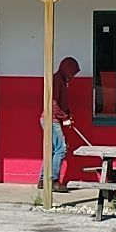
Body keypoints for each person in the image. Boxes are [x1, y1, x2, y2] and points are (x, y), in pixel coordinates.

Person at [38, 56, 80, 192]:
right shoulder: (57, 80)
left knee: (52, 151)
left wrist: (68, 114)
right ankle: (54, 181)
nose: (73, 76)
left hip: (54, 119)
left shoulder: (61, 80)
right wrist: (64, 118)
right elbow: (53, 103)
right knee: (61, 150)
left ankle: (43, 180)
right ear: (67, 70)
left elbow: (63, 103)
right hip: (52, 119)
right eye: (72, 73)